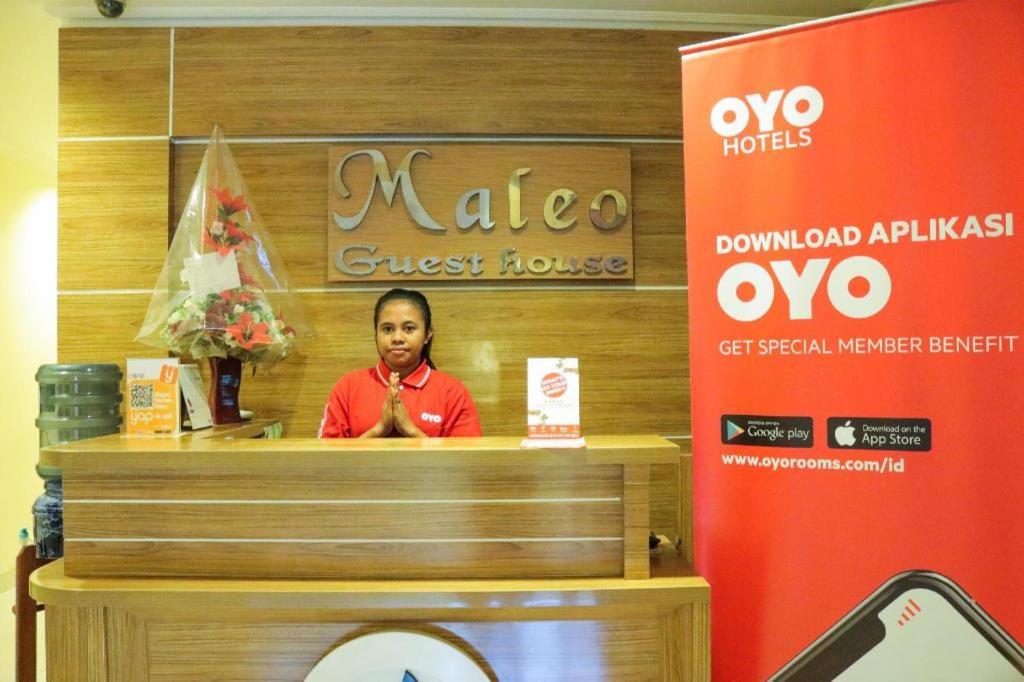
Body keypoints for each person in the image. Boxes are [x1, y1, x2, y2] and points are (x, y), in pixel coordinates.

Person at [318, 288, 482, 438]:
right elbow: (325, 457)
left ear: (427, 334)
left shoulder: (453, 392)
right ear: (376, 333)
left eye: (409, 328)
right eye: (387, 329)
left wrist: (410, 430)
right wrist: (379, 429)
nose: (397, 338)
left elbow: (467, 458)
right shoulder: (347, 387)